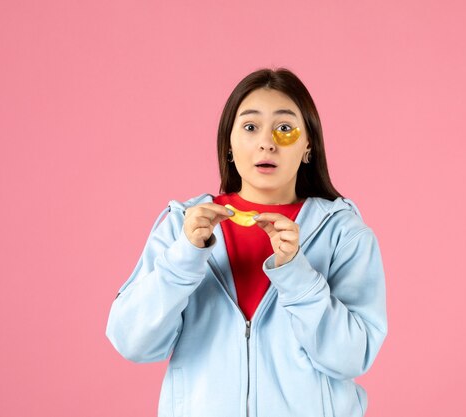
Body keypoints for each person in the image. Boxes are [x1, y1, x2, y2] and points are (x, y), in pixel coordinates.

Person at [106, 67, 388, 417]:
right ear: (229, 145)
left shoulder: (344, 234)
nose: (266, 142)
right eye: (251, 127)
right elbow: (132, 342)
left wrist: (297, 274)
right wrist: (184, 258)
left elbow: (352, 356)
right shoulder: (183, 226)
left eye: (285, 128)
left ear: (307, 146)